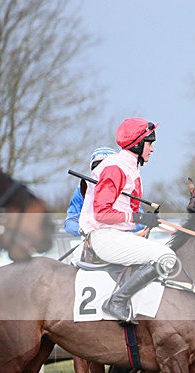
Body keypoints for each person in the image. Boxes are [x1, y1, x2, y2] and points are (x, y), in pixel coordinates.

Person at [78, 117, 176, 323]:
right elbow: (101, 214)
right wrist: (137, 216)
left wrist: (144, 220)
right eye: (150, 143)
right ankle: (116, 302)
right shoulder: (115, 167)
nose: (152, 149)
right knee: (167, 257)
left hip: (115, 235)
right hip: (103, 237)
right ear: (138, 144)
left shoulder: (130, 167)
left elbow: (127, 212)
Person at [65, 147, 116, 237]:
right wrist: (82, 229)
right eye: (98, 167)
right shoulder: (82, 189)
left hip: (121, 240)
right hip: (92, 240)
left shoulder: (127, 189)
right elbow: (70, 222)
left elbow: (139, 222)